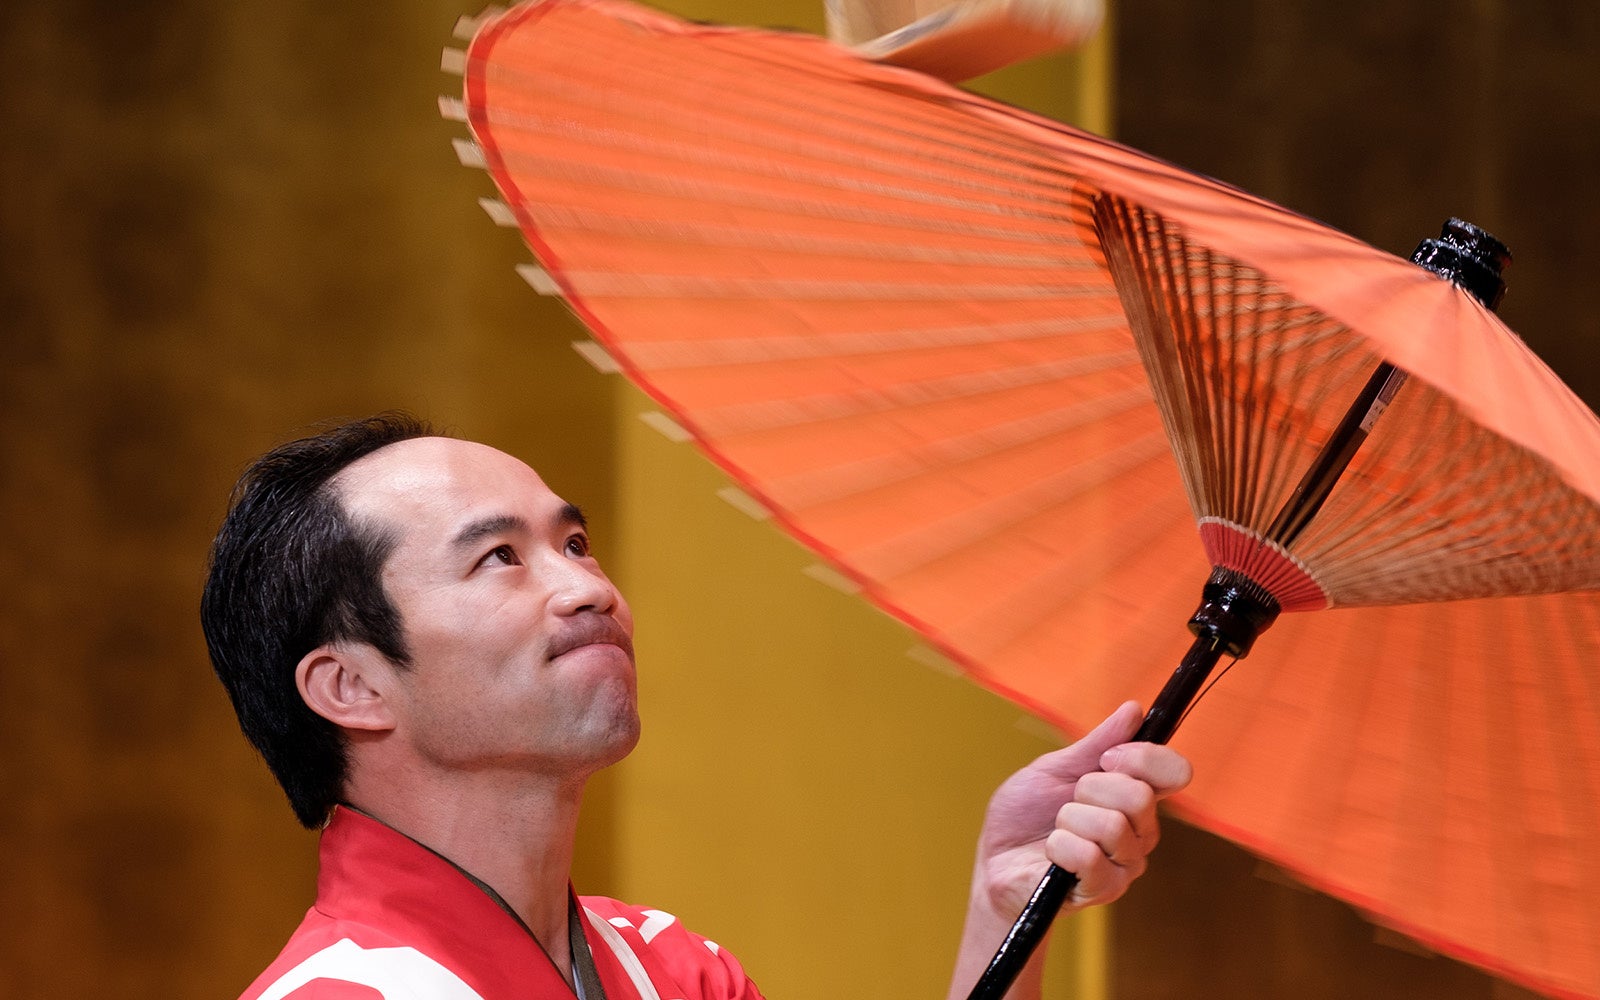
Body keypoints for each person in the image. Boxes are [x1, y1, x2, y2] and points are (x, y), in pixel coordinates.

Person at [202, 412, 1192, 1000]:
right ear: (353, 685)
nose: (588, 589)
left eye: (576, 544)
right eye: (499, 557)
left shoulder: (670, 970)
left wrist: (1003, 912)